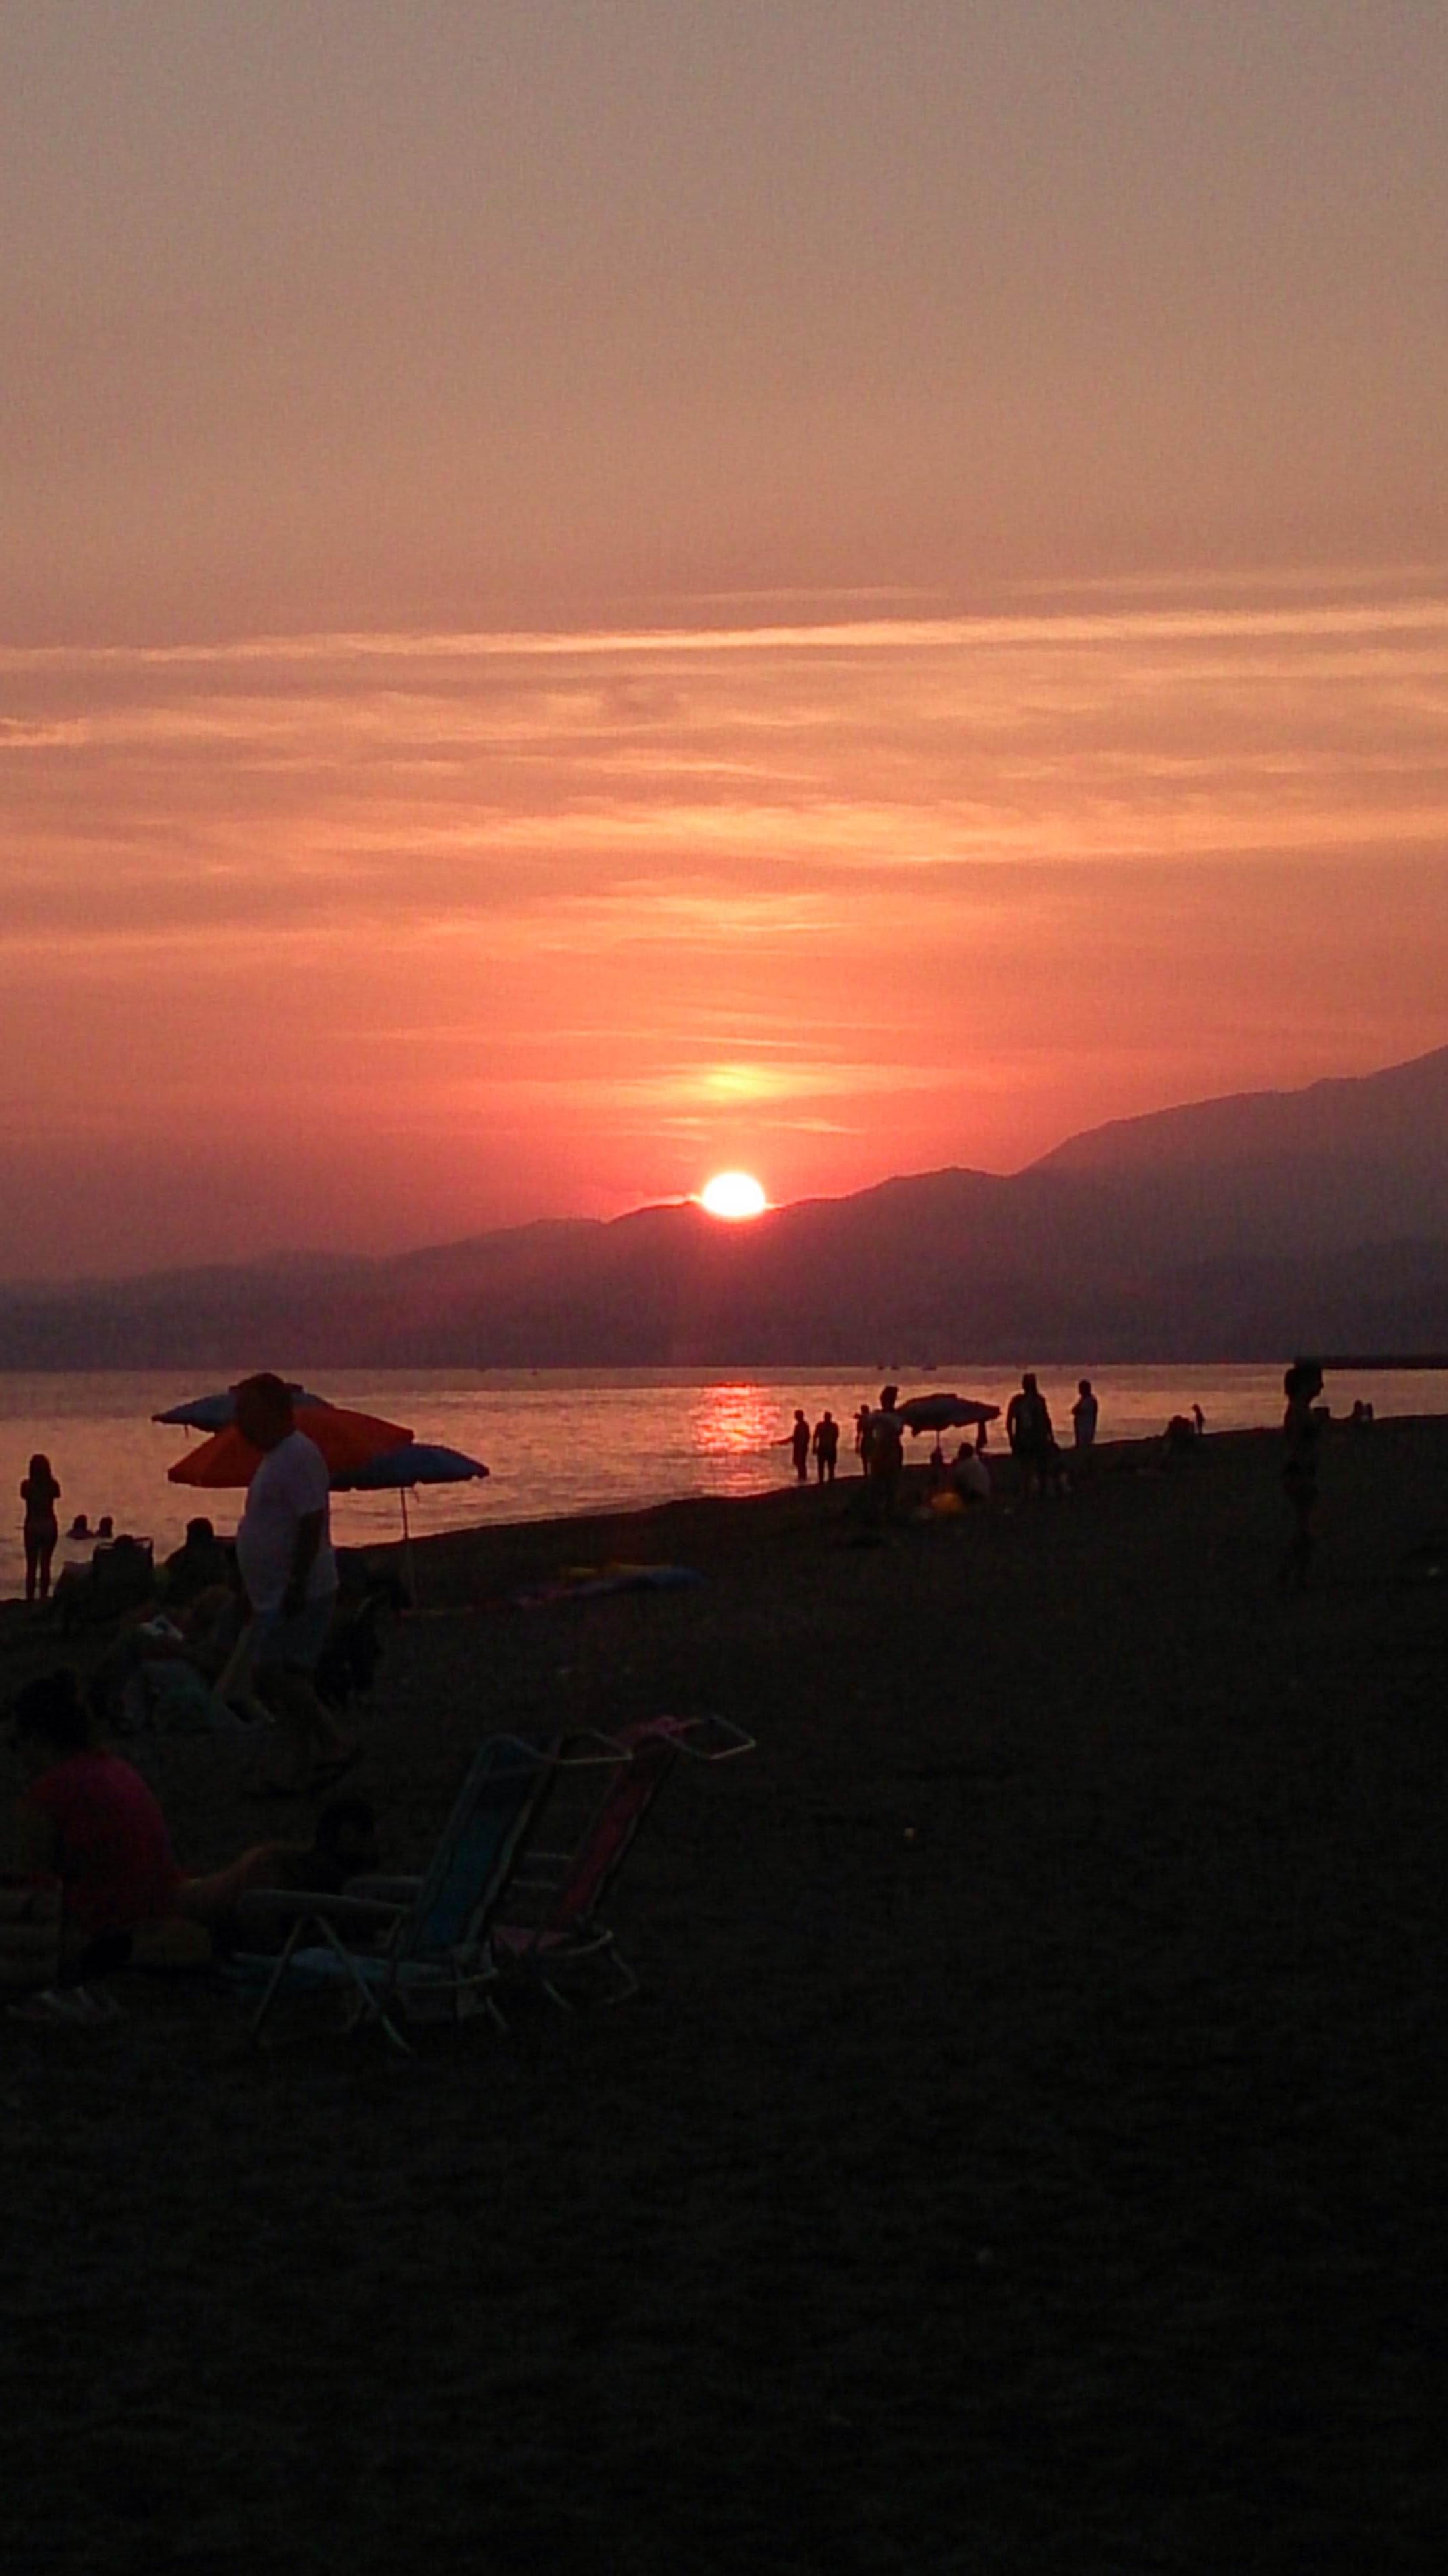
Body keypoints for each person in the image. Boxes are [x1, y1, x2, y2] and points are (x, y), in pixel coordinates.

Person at [231, 1373, 354, 1795]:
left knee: (271, 1673)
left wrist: (297, 1582)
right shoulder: (278, 1457)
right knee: (288, 1678)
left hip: (299, 1590)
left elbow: (309, 1519)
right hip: (276, 1593)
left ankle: (333, 1740)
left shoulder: (297, 1455)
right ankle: (299, 1766)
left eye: (246, 1412)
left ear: (270, 1411)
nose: (240, 1423)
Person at [1280, 1361, 1324, 1591]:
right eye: (1317, 1381)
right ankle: (1293, 1575)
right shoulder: (1298, 1411)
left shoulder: (1301, 1410)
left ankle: (1295, 1575)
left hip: (1301, 1472)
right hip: (1299, 1473)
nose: (1322, 1386)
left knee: (1305, 1528)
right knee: (1305, 1529)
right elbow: (1297, 1444)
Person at [20, 1453, 61, 1603]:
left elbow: (24, 1496)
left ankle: (29, 1599)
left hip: (32, 1525)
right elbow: (58, 1495)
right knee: (46, 1564)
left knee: (31, 1566)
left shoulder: (27, 1486)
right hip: (49, 1524)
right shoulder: (52, 1485)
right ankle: (43, 1597)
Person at [1006, 1373, 1056, 1496]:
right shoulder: (1022, 1401)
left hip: (1035, 1438)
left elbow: (1045, 1419)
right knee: (1029, 1467)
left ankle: (1035, 1491)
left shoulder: (1034, 1401)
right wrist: (1011, 1438)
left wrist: (1050, 1436)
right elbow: (1009, 1421)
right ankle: (1030, 1491)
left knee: (1035, 1466)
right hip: (1029, 1438)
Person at [1071, 1379, 1099, 1473]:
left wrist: (1076, 1411)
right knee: (1082, 1449)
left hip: (1086, 1429)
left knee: (1085, 1449)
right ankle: (1085, 1467)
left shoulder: (1090, 1401)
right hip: (1082, 1428)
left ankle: (1087, 1468)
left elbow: (1077, 1410)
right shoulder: (1083, 1400)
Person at [812, 1411, 840, 1484]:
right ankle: (822, 1480)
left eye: (828, 1417)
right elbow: (815, 1436)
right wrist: (814, 1446)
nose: (827, 1419)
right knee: (821, 1465)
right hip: (823, 1447)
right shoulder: (820, 1425)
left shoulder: (833, 1426)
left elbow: (836, 1437)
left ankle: (830, 1479)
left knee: (830, 1465)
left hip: (829, 1447)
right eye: (826, 1417)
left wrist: (833, 1445)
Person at [789, 1409, 811, 1483]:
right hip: (801, 1447)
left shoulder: (800, 1426)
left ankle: (802, 1478)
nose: (795, 1417)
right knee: (800, 1463)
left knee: (800, 1463)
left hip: (800, 1447)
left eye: (796, 1415)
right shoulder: (803, 1425)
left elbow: (798, 1437)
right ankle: (802, 1478)